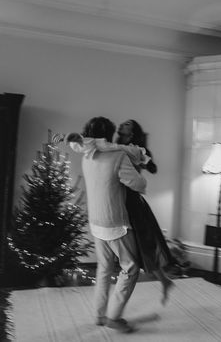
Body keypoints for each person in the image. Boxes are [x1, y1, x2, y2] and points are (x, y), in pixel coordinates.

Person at [53, 117, 146, 333]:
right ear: (110, 133)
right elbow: (139, 184)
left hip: (96, 222)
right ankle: (113, 317)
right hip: (115, 223)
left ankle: (99, 315)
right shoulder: (117, 155)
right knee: (130, 268)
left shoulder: (86, 154)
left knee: (104, 268)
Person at [116, 120, 174, 304]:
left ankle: (163, 280)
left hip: (132, 201)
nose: (122, 125)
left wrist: (144, 158)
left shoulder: (137, 149)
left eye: (126, 125)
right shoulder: (115, 146)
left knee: (145, 243)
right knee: (138, 244)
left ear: (132, 132)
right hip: (118, 198)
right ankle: (164, 281)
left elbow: (153, 168)